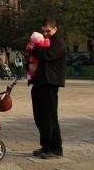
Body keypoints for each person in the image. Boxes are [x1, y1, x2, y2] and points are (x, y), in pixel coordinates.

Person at [28, 18, 66, 160]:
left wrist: (34, 48)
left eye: (48, 31)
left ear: (55, 29)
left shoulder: (58, 42)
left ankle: (56, 149)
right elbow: (33, 59)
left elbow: (48, 56)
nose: (45, 34)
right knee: (39, 116)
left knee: (50, 117)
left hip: (50, 82)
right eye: (43, 31)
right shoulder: (42, 42)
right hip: (39, 82)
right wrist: (28, 66)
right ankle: (46, 145)